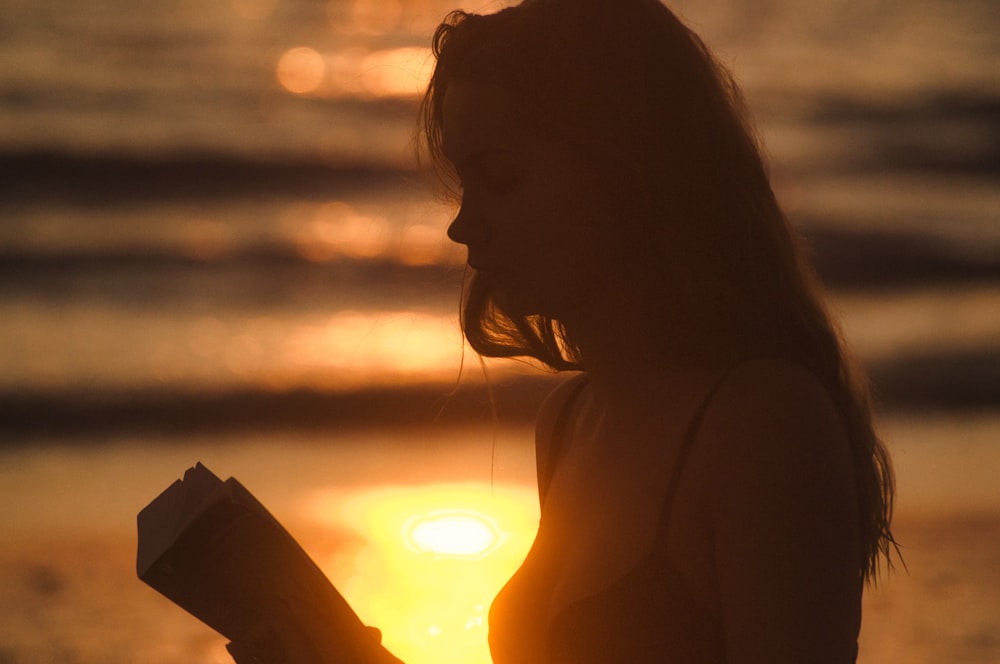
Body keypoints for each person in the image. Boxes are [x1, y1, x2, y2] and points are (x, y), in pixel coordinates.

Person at [230, 0, 896, 661]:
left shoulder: (763, 423)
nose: (463, 225)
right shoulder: (571, 422)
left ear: (628, 174)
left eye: (501, 179)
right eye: (465, 182)